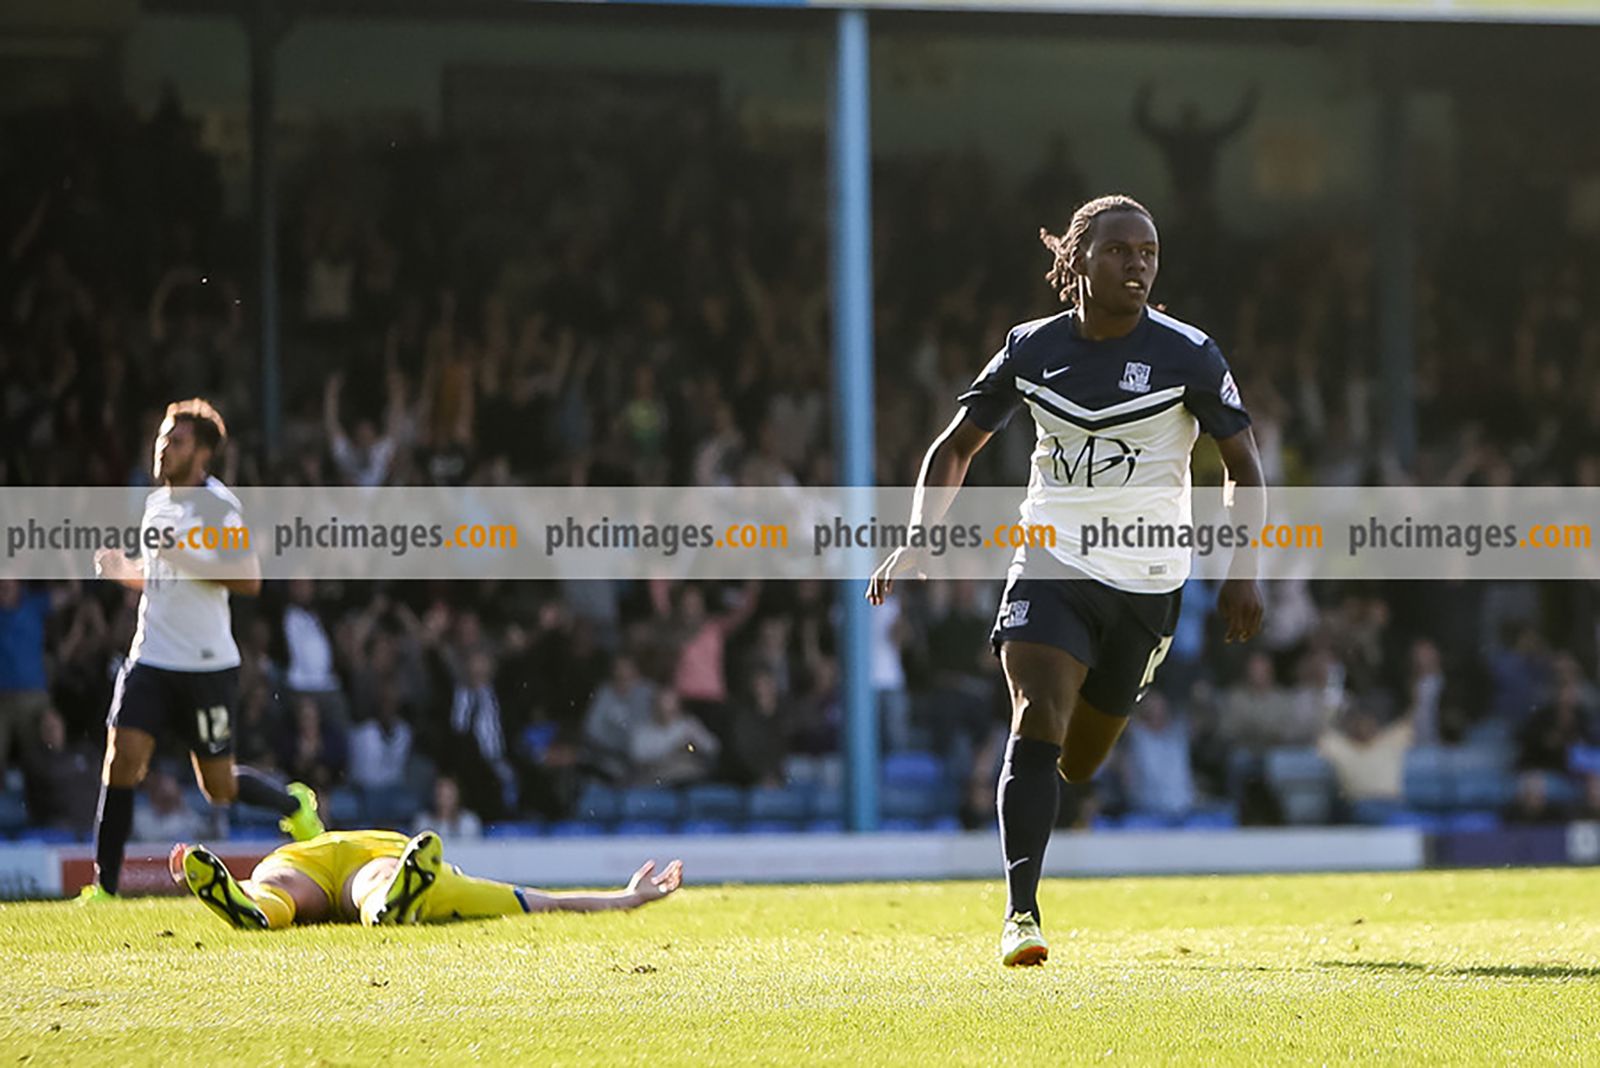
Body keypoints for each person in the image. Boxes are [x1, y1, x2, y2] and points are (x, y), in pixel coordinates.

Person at [867, 195, 1265, 967]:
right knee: (1036, 715)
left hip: (1149, 578)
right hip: (1051, 560)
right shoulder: (1030, 348)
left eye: (1148, 252)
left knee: (1081, 758)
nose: (1138, 265)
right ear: (1078, 261)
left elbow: (1245, 469)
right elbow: (956, 447)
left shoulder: (1190, 353)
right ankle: (1022, 914)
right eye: (1120, 251)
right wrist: (918, 538)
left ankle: (1059, 794)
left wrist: (1241, 571)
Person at [82, 399, 324, 902]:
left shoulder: (218, 507)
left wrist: (180, 554)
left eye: (177, 440)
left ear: (204, 453)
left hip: (207, 667)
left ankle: (293, 804)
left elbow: (249, 578)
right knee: (121, 759)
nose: (164, 446)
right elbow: (160, 578)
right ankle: (103, 887)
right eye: (163, 437)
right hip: (150, 658)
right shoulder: (156, 503)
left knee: (219, 788)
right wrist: (124, 571)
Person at [170, 829, 683, 930]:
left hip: (303, 859)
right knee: (374, 883)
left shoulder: (446, 877)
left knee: (282, 886)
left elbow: (547, 903)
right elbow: (546, 901)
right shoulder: (451, 879)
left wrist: (626, 897)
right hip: (385, 863)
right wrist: (624, 898)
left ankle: (250, 905)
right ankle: (391, 903)